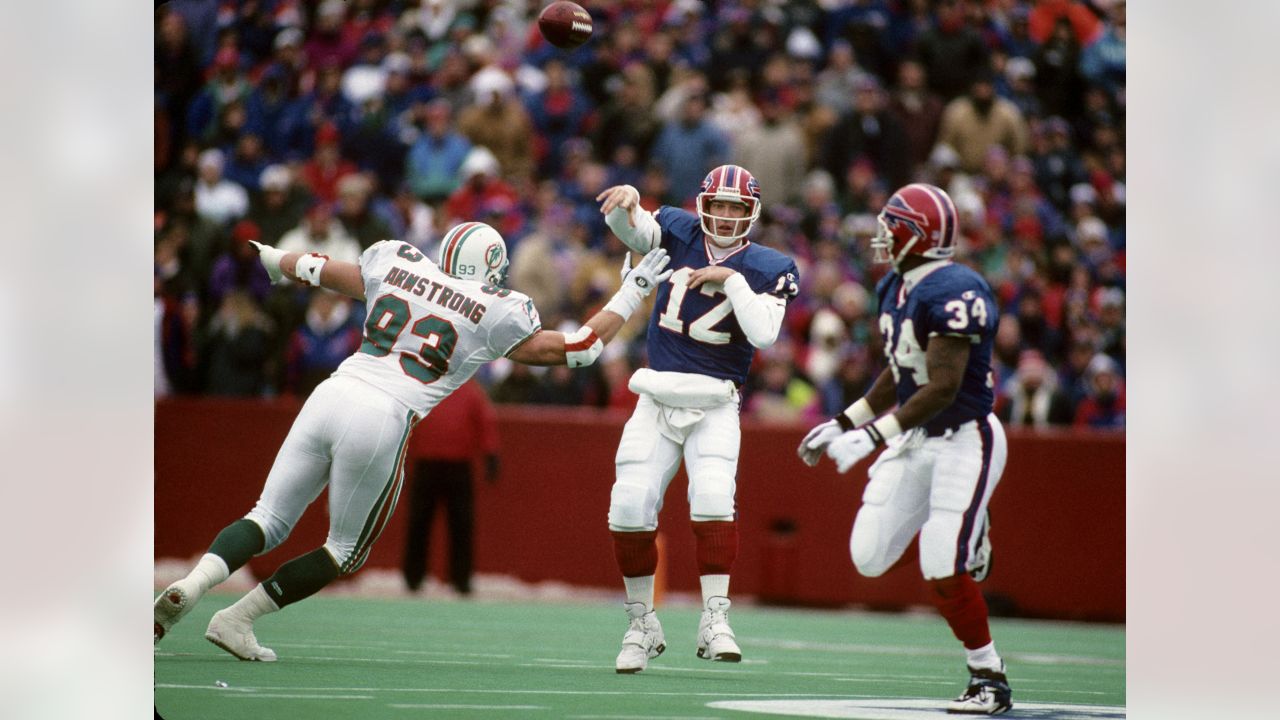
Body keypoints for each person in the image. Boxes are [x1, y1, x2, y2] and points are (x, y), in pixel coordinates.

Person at [154, 221, 673, 662]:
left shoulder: (399, 263)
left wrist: (275, 258)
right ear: (493, 266)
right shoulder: (495, 309)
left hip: (332, 391)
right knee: (344, 550)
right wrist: (633, 289)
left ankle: (193, 584)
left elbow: (325, 271)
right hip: (384, 412)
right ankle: (238, 618)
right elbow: (579, 350)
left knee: (266, 517)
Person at [797, 183, 1013, 715]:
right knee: (868, 557)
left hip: (965, 437)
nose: (880, 233)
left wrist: (872, 437)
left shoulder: (957, 289)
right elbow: (902, 371)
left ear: (915, 235)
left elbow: (941, 387)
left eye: (891, 223)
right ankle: (968, 527)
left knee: (942, 564)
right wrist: (844, 420)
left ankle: (988, 676)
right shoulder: (895, 284)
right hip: (916, 436)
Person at [595, 164, 800, 673]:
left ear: (750, 212)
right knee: (627, 505)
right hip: (657, 396)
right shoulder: (680, 229)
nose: (727, 215)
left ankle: (715, 618)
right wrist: (627, 205)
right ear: (703, 205)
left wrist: (732, 281)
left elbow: (764, 333)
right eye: (720, 204)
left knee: (712, 498)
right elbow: (634, 230)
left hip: (715, 402)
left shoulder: (769, 265)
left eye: (736, 207)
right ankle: (641, 622)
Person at [401, 379, 499, 595]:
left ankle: (460, 579)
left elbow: (484, 422)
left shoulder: (468, 391)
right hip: (428, 465)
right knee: (420, 522)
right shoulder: (425, 388)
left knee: (461, 524)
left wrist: (490, 453)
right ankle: (414, 578)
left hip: (457, 466)